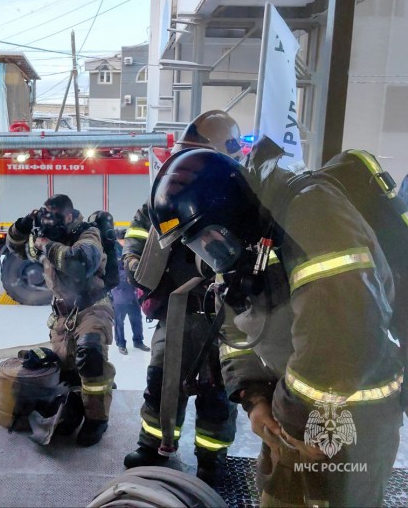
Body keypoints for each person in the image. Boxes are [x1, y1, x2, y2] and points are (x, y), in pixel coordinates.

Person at [148, 141, 403, 506]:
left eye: (208, 237)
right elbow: (234, 328)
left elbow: (339, 340)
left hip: (353, 424)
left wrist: (290, 418)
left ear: (231, 210)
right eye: (198, 245)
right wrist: (254, 399)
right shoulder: (249, 243)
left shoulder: (314, 213)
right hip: (291, 419)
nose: (209, 253)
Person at [121, 110, 240, 488]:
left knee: (216, 392)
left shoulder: (238, 203)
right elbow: (138, 231)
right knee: (161, 381)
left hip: (225, 317)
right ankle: (152, 446)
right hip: (176, 311)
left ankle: (211, 459)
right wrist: (134, 259)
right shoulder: (163, 198)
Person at [6, 194, 115, 447]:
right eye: (44, 217)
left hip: (92, 308)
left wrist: (48, 245)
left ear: (68, 216)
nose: (48, 224)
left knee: (90, 356)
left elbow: (80, 264)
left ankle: (97, 419)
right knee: (67, 370)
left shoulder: (88, 234)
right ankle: (74, 408)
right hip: (63, 315)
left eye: (54, 219)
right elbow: (17, 248)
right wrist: (22, 226)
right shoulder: (46, 232)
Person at [111, 229, 148, 355]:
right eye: (124, 240)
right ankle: (121, 344)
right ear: (118, 239)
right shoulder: (112, 251)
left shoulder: (132, 250)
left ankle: (138, 341)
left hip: (133, 294)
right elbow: (113, 273)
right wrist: (129, 273)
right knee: (119, 322)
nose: (126, 242)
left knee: (137, 319)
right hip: (119, 295)